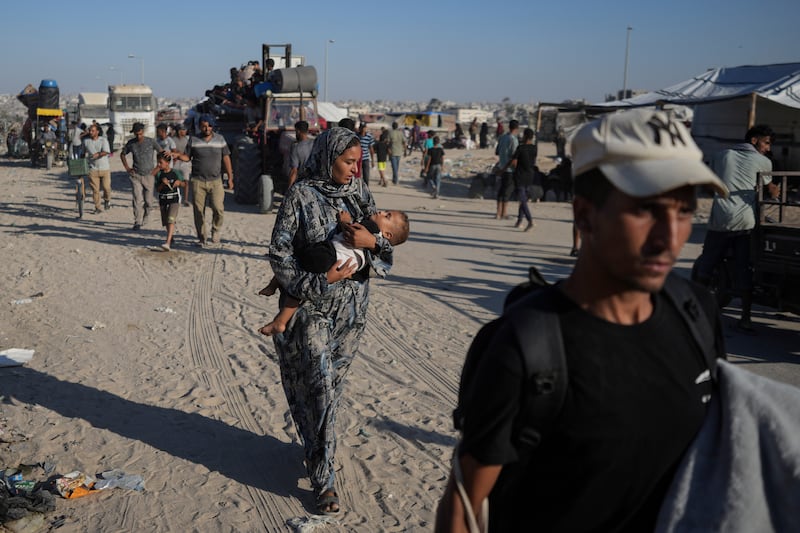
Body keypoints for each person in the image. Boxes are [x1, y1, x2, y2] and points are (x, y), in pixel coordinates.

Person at [435, 109, 729, 533]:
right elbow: (463, 507)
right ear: (586, 215)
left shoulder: (695, 314)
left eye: (684, 211)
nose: (671, 237)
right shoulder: (528, 346)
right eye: (646, 210)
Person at [267, 127, 395, 515]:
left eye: (358, 162)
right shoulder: (300, 195)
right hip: (311, 309)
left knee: (331, 389)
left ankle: (313, 447)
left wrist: (373, 245)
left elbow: (386, 245)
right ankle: (324, 479)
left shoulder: (359, 194)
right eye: (348, 162)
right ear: (327, 158)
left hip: (353, 313)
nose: (355, 170)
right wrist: (317, 281)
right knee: (319, 383)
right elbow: (280, 253)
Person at [259, 208, 409, 336]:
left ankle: (279, 313)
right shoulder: (378, 250)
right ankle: (280, 315)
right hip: (338, 264)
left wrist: (344, 221)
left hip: (330, 256)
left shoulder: (372, 228)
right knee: (300, 272)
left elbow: (351, 230)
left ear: (388, 235)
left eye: (387, 216)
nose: (381, 212)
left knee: (296, 262)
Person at [692, 124, 778, 331]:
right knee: (743, 269)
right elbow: (771, 192)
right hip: (745, 223)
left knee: (706, 266)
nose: (768, 148)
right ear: (754, 140)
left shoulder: (721, 155)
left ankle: (693, 313)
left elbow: (707, 182)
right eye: (766, 143)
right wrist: (775, 190)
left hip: (719, 221)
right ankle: (746, 319)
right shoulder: (763, 161)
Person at [172, 116, 234, 246]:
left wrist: (230, 177)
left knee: (218, 209)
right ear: (200, 126)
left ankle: (216, 230)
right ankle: (202, 237)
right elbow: (187, 157)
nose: (207, 129)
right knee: (199, 211)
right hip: (198, 181)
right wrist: (178, 155)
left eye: (209, 126)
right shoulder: (193, 140)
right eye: (204, 126)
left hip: (216, 181)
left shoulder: (220, 139)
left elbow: (226, 158)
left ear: (212, 126)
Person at [121, 122, 161, 230]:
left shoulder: (151, 142)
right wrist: (127, 168)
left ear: (143, 132)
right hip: (136, 175)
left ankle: (146, 217)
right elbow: (122, 154)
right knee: (137, 199)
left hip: (149, 175)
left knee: (149, 201)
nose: (138, 136)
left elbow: (161, 153)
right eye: (136, 134)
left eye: (140, 134)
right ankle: (137, 221)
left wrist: (158, 168)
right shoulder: (131, 143)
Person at [501, 127, 538, 231]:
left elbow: (513, 161)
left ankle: (530, 220)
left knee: (522, 200)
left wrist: (503, 169)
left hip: (520, 176)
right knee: (524, 199)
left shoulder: (520, 148)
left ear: (525, 136)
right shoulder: (535, 148)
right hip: (530, 175)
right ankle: (519, 221)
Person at [154, 152, 184, 251]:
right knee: (166, 221)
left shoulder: (175, 173)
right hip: (163, 200)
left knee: (171, 219)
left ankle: (167, 242)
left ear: (167, 163)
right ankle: (171, 238)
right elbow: (157, 189)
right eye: (158, 162)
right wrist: (162, 184)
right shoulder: (159, 174)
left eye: (160, 162)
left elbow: (184, 184)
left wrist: (179, 182)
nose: (159, 165)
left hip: (174, 199)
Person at [83, 123, 112, 214]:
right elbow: (83, 152)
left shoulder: (103, 140)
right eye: (90, 131)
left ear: (97, 132)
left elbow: (106, 151)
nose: (91, 132)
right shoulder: (86, 141)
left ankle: (107, 200)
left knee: (106, 188)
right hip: (93, 169)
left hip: (104, 168)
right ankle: (97, 207)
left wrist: (98, 154)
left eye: (93, 131)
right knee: (95, 190)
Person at [494, 119, 519, 220]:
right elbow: (514, 157)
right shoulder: (514, 140)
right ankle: (504, 213)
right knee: (507, 192)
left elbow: (496, 152)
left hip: (501, 168)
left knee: (501, 190)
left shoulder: (502, 137)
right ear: (517, 128)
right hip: (509, 170)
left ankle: (498, 213)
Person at [287, 120, 314, 189]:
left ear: (298, 131)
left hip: (304, 182)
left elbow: (294, 171)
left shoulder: (295, 148)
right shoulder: (315, 143)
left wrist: (289, 188)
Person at [172, 123, 192, 206]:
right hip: (176, 162)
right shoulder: (173, 140)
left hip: (185, 162)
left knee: (186, 181)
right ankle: (176, 198)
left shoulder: (187, 139)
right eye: (183, 130)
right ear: (179, 131)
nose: (185, 131)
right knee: (175, 181)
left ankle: (186, 199)